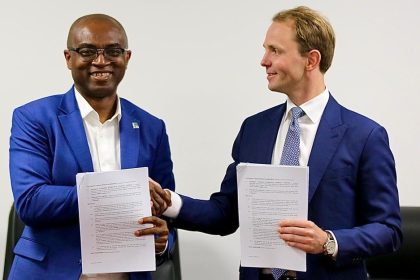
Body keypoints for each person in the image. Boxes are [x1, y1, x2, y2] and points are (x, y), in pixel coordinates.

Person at [155, 6, 402, 280]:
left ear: (311, 60)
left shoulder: (364, 136)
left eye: (275, 50)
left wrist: (329, 241)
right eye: (265, 49)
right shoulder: (254, 129)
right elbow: (225, 213)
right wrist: (168, 202)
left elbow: (388, 230)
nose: (263, 60)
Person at [9, 14, 175, 280]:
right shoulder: (34, 117)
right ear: (68, 58)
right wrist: (120, 193)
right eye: (87, 51)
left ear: (127, 58)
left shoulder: (152, 127)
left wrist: (162, 242)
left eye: (113, 51)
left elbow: (165, 209)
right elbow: (31, 201)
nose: (101, 61)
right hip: (51, 272)